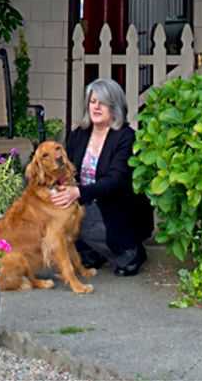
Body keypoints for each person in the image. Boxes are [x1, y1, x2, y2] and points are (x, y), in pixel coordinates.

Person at [49, 77, 153, 276]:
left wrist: (77, 193)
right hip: (85, 202)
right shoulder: (79, 134)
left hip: (116, 208)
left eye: (103, 102)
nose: (96, 107)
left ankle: (131, 252)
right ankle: (93, 251)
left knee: (80, 218)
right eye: (92, 101)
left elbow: (115, 180)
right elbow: (65, 170)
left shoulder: (125, 136)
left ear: (115, 107)